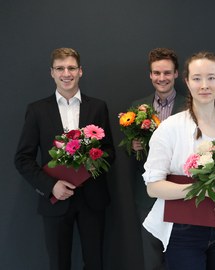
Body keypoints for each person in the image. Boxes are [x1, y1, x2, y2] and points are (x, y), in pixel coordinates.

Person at [141, 51, 215, 270]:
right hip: (183, 231)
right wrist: (201, 188)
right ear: (187, 81)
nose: (204, 85)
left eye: (211, 78)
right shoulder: (170, 128)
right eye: (197, 78)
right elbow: (153, 187)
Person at [14, 47, 115, 270]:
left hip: (93, 198)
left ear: (81, 71)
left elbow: (109, 152)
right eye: (60, 68)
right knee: (59, 263)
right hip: (56, 199)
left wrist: (89, 165)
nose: (66, 73)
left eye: (71, 68)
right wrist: (51, 186)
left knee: (95, 262)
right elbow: (22, 158)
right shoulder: (37, 110)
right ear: (51, 72)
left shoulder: (98, 107)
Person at [130, 48, 186, 270]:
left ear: (176, 74)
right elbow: (129, 154)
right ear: (150, 75)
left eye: (166, 73)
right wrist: (133, 148)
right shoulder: (136, 107)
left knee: (180, 255)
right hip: (147, 195)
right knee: (151, 257)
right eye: (156, 73)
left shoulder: (190, 105)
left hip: (180, 192)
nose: (161, 78)